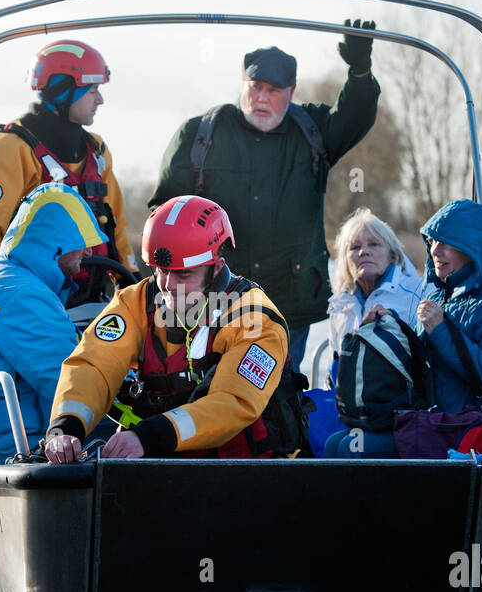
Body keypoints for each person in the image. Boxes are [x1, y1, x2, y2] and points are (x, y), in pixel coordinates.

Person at [149, 21, 381, 364]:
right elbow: (162, 213)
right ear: (243, 84)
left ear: (292, 90)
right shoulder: (200, 134)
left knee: (279, 397)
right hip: (214, 298)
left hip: (291, 299)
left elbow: (355, 117)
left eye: (273, 90)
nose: (261, 98)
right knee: (207, 388)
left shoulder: (312, 131)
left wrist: (359, 72)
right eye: (255, 86)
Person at [43, 195, 304, 462]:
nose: (167, 285)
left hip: (251, 470)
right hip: (162, 459)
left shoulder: (255, 319)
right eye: (161, 271)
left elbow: (232, 403)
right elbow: (93, 364)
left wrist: (147, 437)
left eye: (183, 274)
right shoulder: (135, 302)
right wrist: (66, 427)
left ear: (216, 268)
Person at [325, 198, 482, 458]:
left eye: (445, 244)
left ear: (471, 248)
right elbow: (419, 363)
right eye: (432, 242)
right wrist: (385, 328)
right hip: (431, 420)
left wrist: (441, 331)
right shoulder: (438, 292)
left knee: (352, 450)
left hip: (466, 427)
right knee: (335, 443)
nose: (435, 251)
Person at [0, 183, 108, 467]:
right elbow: (68, 384)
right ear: (55, 243)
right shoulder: (22, 295)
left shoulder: (6, 277)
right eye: (81, 240)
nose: (89, 252)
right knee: (128, 436)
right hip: (4, 450)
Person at [0, 39, 135, 284]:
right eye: (92, 90)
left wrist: (132, 282)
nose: (100, 100)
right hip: (28, 298)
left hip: (94, 300)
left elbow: (117, 228)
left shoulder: (97, 151)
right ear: (62, 90)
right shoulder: (10, 148)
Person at [326, 207, 423, 374]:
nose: (364, 252)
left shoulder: (418, 294)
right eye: (355, 247)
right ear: (345, 260)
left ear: (392, 255)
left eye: (374, 244)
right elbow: (334, 372)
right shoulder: (340, 305)